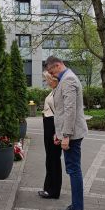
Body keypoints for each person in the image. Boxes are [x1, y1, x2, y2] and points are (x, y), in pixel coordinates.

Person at [45, 56, 88, 210]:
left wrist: (66, 136)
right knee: (72, 169)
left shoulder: (69, 80)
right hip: (68, 133)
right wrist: (59, 133)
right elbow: (62, 111)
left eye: (51, 71)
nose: (51, 75)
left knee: (74, 170)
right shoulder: (65, 79)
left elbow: (70, 110)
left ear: (58, 65)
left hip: (73, 135)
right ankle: (75, 206)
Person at [38, 71, 62, 199]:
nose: (46, 81)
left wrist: (57, 133)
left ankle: (53, 191)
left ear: (53, 80)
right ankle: (48, 188)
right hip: (48, 124)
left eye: (47, 79)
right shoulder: (53, 91)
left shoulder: (58, 91)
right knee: (50, 158)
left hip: (53, 125)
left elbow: (59, 113)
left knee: (53, 158)